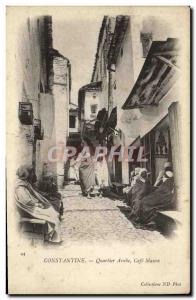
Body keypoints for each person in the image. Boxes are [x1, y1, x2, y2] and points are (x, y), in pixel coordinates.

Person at [15, 165, 62, 243]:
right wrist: (37, 204)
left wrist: (39, 203)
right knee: (52, 214)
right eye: (31, 173)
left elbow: (32, 197)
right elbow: (26, 201)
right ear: (26, 174)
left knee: (52, 212)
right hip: (28, 210)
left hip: (31, 208)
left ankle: (51, 235)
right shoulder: (20, 187)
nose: (32, 175)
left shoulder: (25, 184)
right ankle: (52, 237)